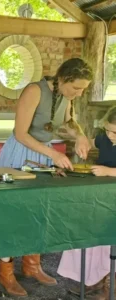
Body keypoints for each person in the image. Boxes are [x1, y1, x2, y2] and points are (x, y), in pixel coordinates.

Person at [0, 58, 93, 297]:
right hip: (20, 154)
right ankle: (5, 272)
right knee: (14, 214)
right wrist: (52, 153)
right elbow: (20, 133)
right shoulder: (34, 91)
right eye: (77, 88)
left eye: (83, 89)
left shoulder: (66, 96)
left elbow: (68, 123)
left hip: (44, 158)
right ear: (62, 79)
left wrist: (79, 135)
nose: (79, 93)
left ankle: (31, 265)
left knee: (40, 211)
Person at [58, 106, 116, 300]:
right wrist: (81, 142)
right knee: (91, 234)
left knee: (111, 240)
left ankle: (111, 286)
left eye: (114, 132)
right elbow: (89, 142)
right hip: (101, 198)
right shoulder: (105, 139)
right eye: (107, 129)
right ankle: (94, 278)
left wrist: (110, 172)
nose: (109, 135)